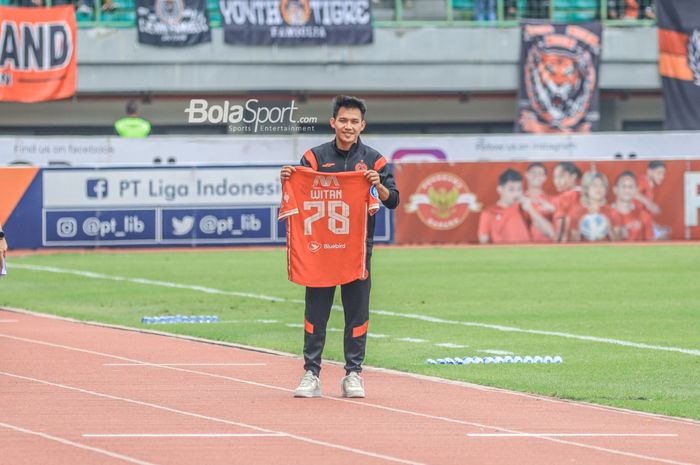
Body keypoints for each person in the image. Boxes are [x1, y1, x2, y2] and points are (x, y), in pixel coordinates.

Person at [279, 95, 400, 399]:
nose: (348, 126)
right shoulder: (314, 157)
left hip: (357, 249)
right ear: (333, 122)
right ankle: (311, 372)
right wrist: (289, 177)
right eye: (343, 120)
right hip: (320, 248)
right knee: (316, 311)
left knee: (356, 312)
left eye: (354, 121)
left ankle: (354, 373)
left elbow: (394, 199)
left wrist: (378, 185)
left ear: (363, 125)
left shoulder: (375, 160)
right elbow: (300, 186)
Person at [478, 168, 552, 244]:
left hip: (528, 253)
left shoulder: (524, 207)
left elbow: (550, 233)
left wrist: (531, 209)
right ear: (500, 189)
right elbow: (483, 243)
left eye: (519, 189)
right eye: (511, 190)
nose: (516, 194)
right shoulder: (488, 213)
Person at [568, 171, 615, 242]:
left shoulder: (612, 212)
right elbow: (573, 243)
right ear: (586, 188)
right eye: (594, 185)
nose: (599, 189)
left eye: (602, 185)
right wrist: (579, 227)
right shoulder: (576, 213)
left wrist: (609, 228)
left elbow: (618, 243)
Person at [609, 171, 654, 241]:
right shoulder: (604, 215)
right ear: (615, 190)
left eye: (631, 187)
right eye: (624, 186)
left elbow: (651, 247)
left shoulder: (644, 216)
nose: (627, 190)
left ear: (636, 190)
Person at [524, 162, 556, 242]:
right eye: (533, 173)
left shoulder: (552, 201)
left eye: (540, 174)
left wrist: (554, 210)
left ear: (545, 178)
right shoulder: (517, 199)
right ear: (526, 175)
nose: (536, 176)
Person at [552, 161, 582, 242]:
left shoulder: (565, 197)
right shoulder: (585, 193)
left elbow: (560, 229)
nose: (557, 181)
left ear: (573, 176)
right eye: (555, 177)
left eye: (561, 177)